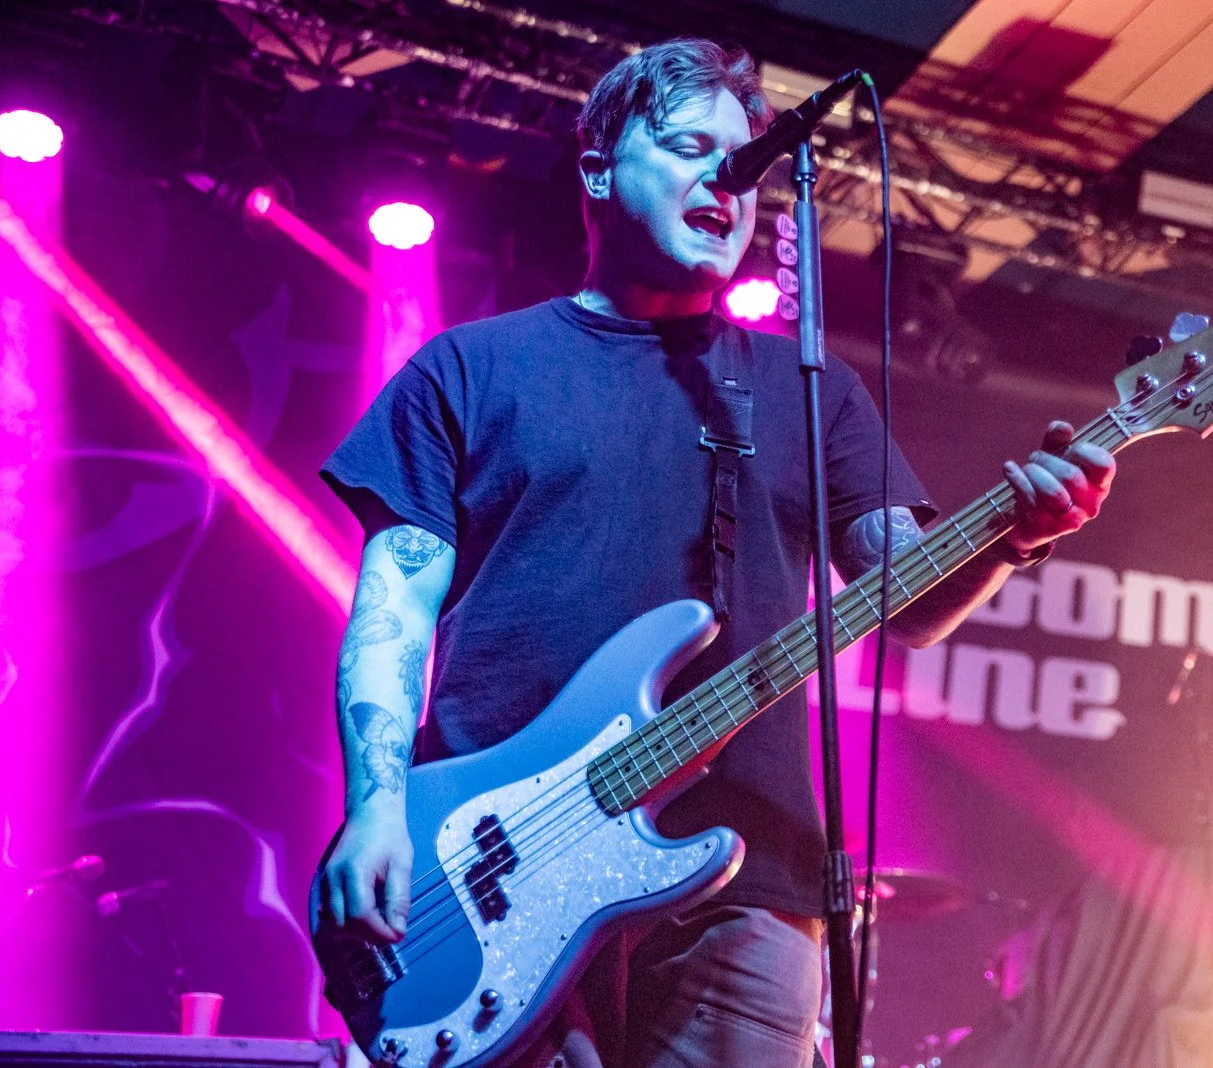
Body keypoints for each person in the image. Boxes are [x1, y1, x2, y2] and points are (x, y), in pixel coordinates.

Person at [317, 37, 1114, 1068]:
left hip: (751, 878)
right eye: (692, 148)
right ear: (598, 169)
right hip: (490, 864)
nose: (729, 183)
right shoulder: (468, 372)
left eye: (748, 166)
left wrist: (1015, 536)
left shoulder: (808, 387)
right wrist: (376, 808)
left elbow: (905, 596)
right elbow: (391, 614)